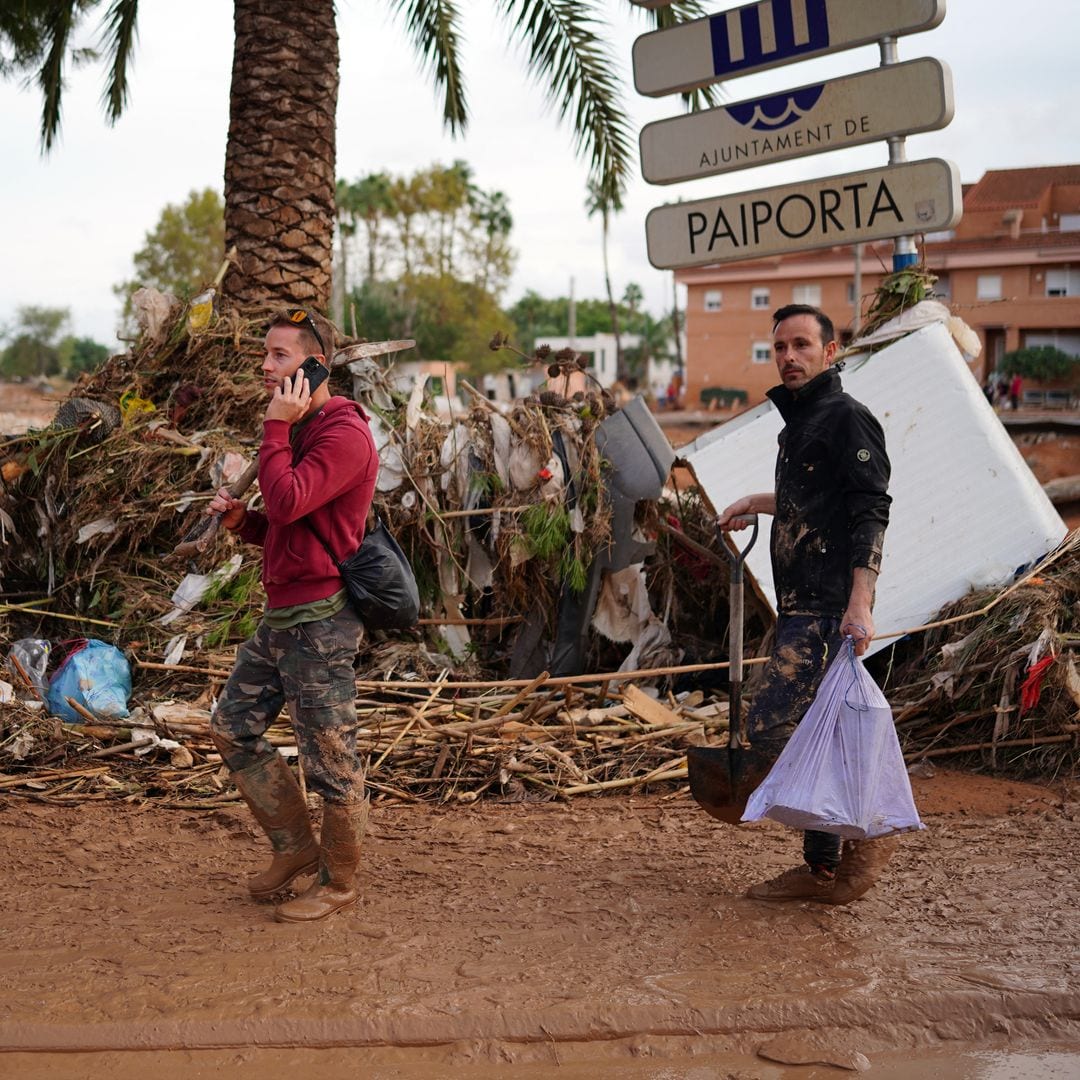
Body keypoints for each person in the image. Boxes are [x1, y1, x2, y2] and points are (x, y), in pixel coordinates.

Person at [717, 304, 893, 905]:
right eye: (779, 349)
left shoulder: (846, 418)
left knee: (769, 724)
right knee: (823, 725)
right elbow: (815, 500)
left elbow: (870, 510)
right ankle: (824, 868)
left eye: (801, 345)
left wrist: (860, 602)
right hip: (802, 604)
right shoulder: (800, 425)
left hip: (826, 607)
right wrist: (758, 500)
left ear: (830, 350)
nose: (789, 358)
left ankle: (866, 839)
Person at [207, 307, 378, 923]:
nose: (264, 365)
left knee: (330, 756)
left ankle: (340, 880)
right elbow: (287, 522)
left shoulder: (342, 434)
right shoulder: (304, 428)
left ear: (313, 366)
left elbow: (287, 498)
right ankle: (295, 846)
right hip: (282, 617)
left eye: (279, 356)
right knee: (231, 726)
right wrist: (241, 524)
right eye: (266, 353)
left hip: (320, 621)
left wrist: (274, 428)